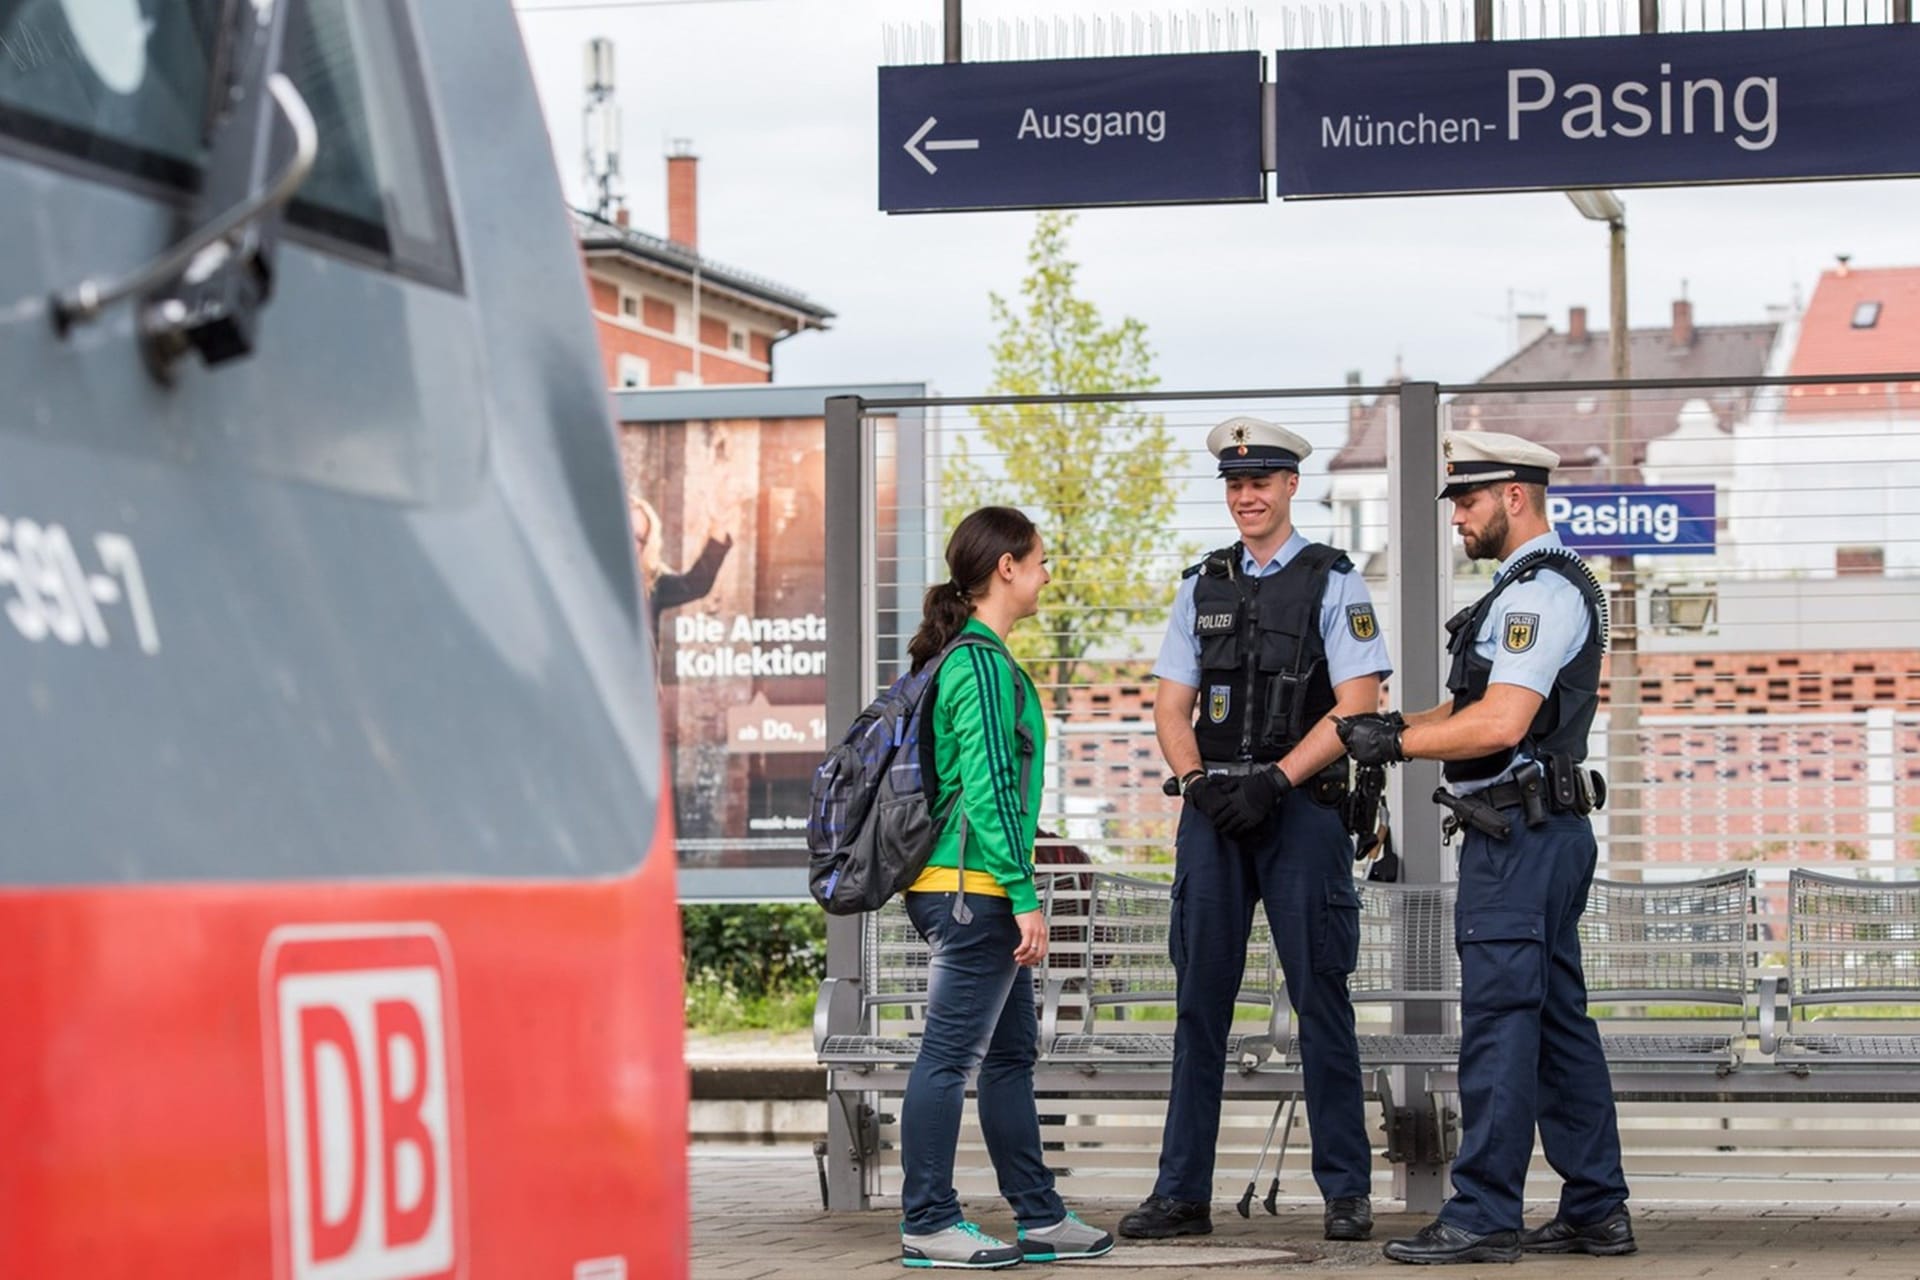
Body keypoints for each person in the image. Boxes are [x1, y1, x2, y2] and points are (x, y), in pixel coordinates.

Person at [1337, 430, 1634, 1266]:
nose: (1459, 518)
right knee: (1556, 1026)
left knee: (1502, 1026)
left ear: (1514, 497)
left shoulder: (1537, 596)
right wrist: (1393, 726)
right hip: (1540, 831)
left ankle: (1482, 1215)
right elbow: (1480, 706)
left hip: (1520, 837)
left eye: (1468, 501)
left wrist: (1397, 748)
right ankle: (1595, 1207)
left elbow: (1501, 725)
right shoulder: (1531, 587)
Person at [1119, 416, 1389, 1246]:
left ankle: (1345, 1193)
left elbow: (1360, 704)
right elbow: (1170, 705)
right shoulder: (1200, 585)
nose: (1247, 496)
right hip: (1214, 818)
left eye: (1261, 482)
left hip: (1301, 813)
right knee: (1199, 1004)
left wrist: (1275, 780)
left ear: (1290, 487)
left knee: (1320, 998)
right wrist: (1199, 786)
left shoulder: (1336, 582)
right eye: (1235, 485)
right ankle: (1180, 1194)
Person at [896, 505, 1115, 1270]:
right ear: (1006, 568)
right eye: (1042, 560)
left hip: (974, 883)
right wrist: (1024, 894)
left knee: (1010, 1056)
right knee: (950, 1060)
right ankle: (927, 1220)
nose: (1049, 574)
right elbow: (989, 788)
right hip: (972, 890)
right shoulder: (980, 665)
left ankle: (1040, 1216)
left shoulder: (972, 658)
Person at [631, 492, 733, 647]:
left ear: (645, 546)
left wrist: (718, 525)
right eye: (623, 529)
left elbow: (696, 584)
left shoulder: (650, 583)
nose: (627, 540)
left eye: (637, 538)